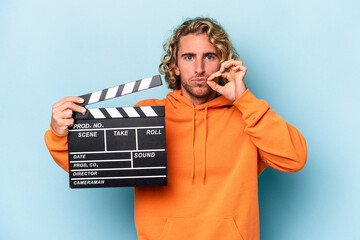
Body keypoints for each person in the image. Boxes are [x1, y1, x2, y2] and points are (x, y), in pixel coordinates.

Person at [45, 17, 307, 240]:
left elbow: (295, 158)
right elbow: (87, 163)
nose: (200, 68)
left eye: (210, 57)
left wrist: (244, 99)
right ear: (175, 66)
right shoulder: (147, 115)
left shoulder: (247, 116)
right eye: (189, 57)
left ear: (224, 64)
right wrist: (59, 133)